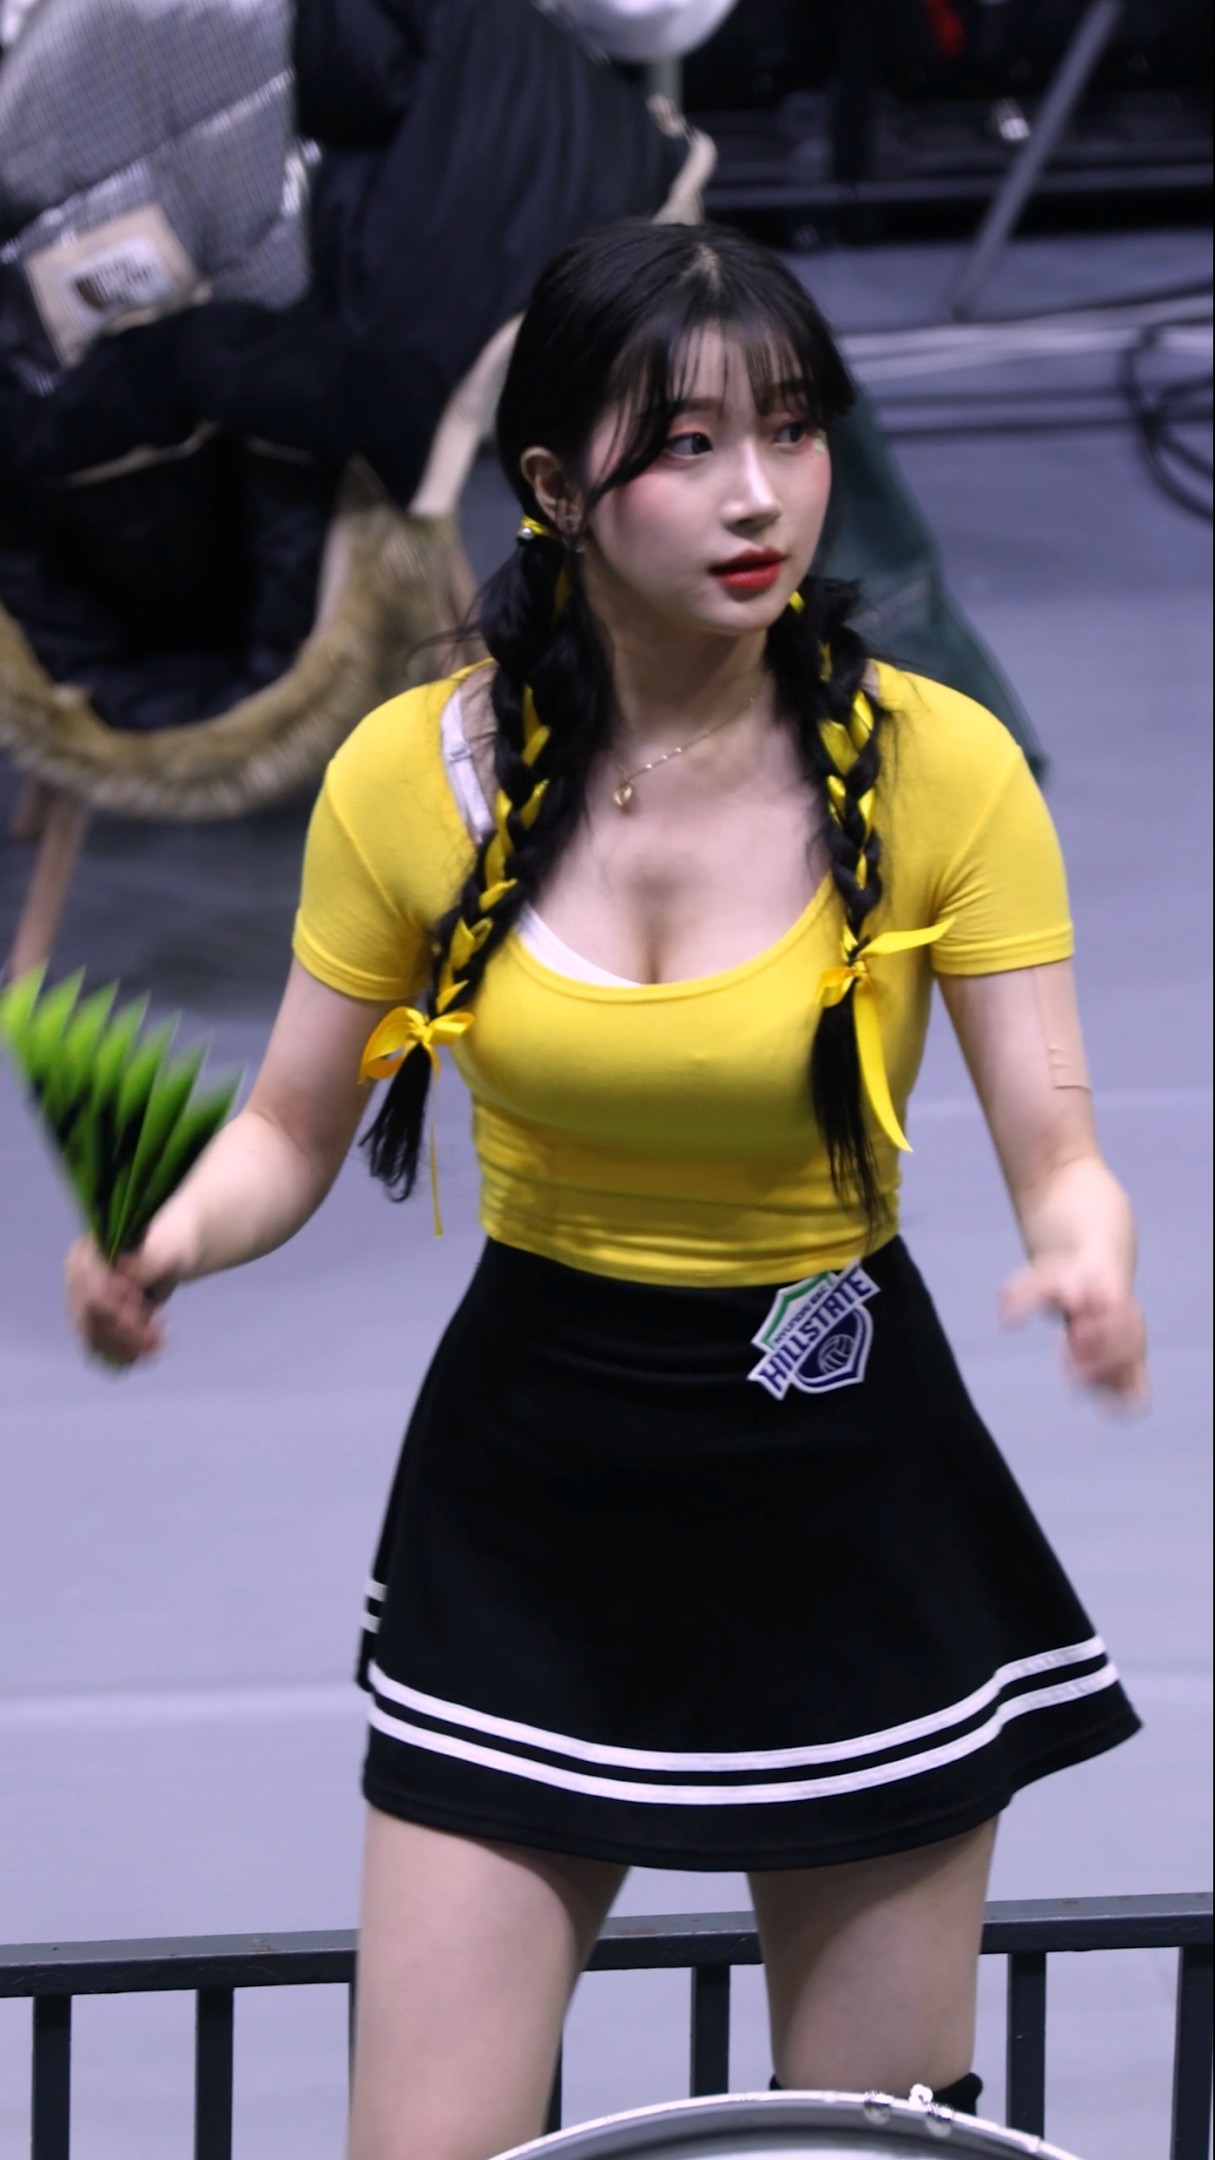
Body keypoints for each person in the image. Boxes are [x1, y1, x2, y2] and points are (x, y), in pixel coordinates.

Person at [65, 220, 1147, 2160]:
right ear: (557, 486)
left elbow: (1057, 1152)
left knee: (871, 2146)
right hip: (527, 1494)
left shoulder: (946, 773)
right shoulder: (408, 778)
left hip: (847, 1476)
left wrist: (1082, 1260)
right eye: (688, 446)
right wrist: (174, 1241)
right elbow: (288, 1131)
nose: (760, 496)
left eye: (793, 430)